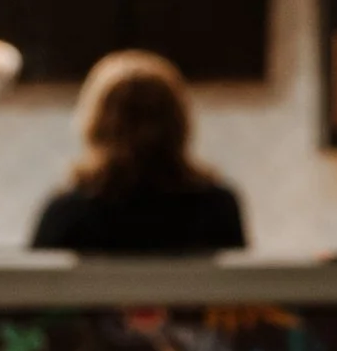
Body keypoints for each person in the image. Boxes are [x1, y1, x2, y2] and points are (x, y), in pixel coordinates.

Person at [29, 52, 246, 255]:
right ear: (179, 123)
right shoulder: (218, 207)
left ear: (96, 124)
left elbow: (31, 289)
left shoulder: (68, 212)